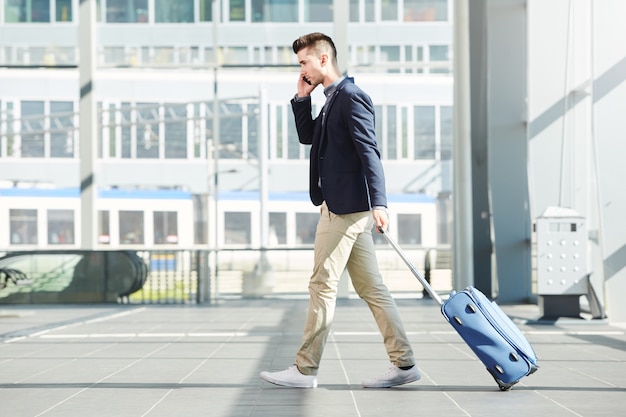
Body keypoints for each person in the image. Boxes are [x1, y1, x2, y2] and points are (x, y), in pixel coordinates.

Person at [260, 32, 420, 389]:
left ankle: (304, 370)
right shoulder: (332, 99)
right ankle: (405, 363)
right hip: (343, 207)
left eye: (304, 63)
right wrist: (303, 99)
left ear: (322, 60)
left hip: (345, 210)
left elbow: (369, 152)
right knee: (373, 289)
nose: (301, 70)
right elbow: (309, 138)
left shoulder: (351, 97)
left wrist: (380, 202)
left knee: (321, 285)